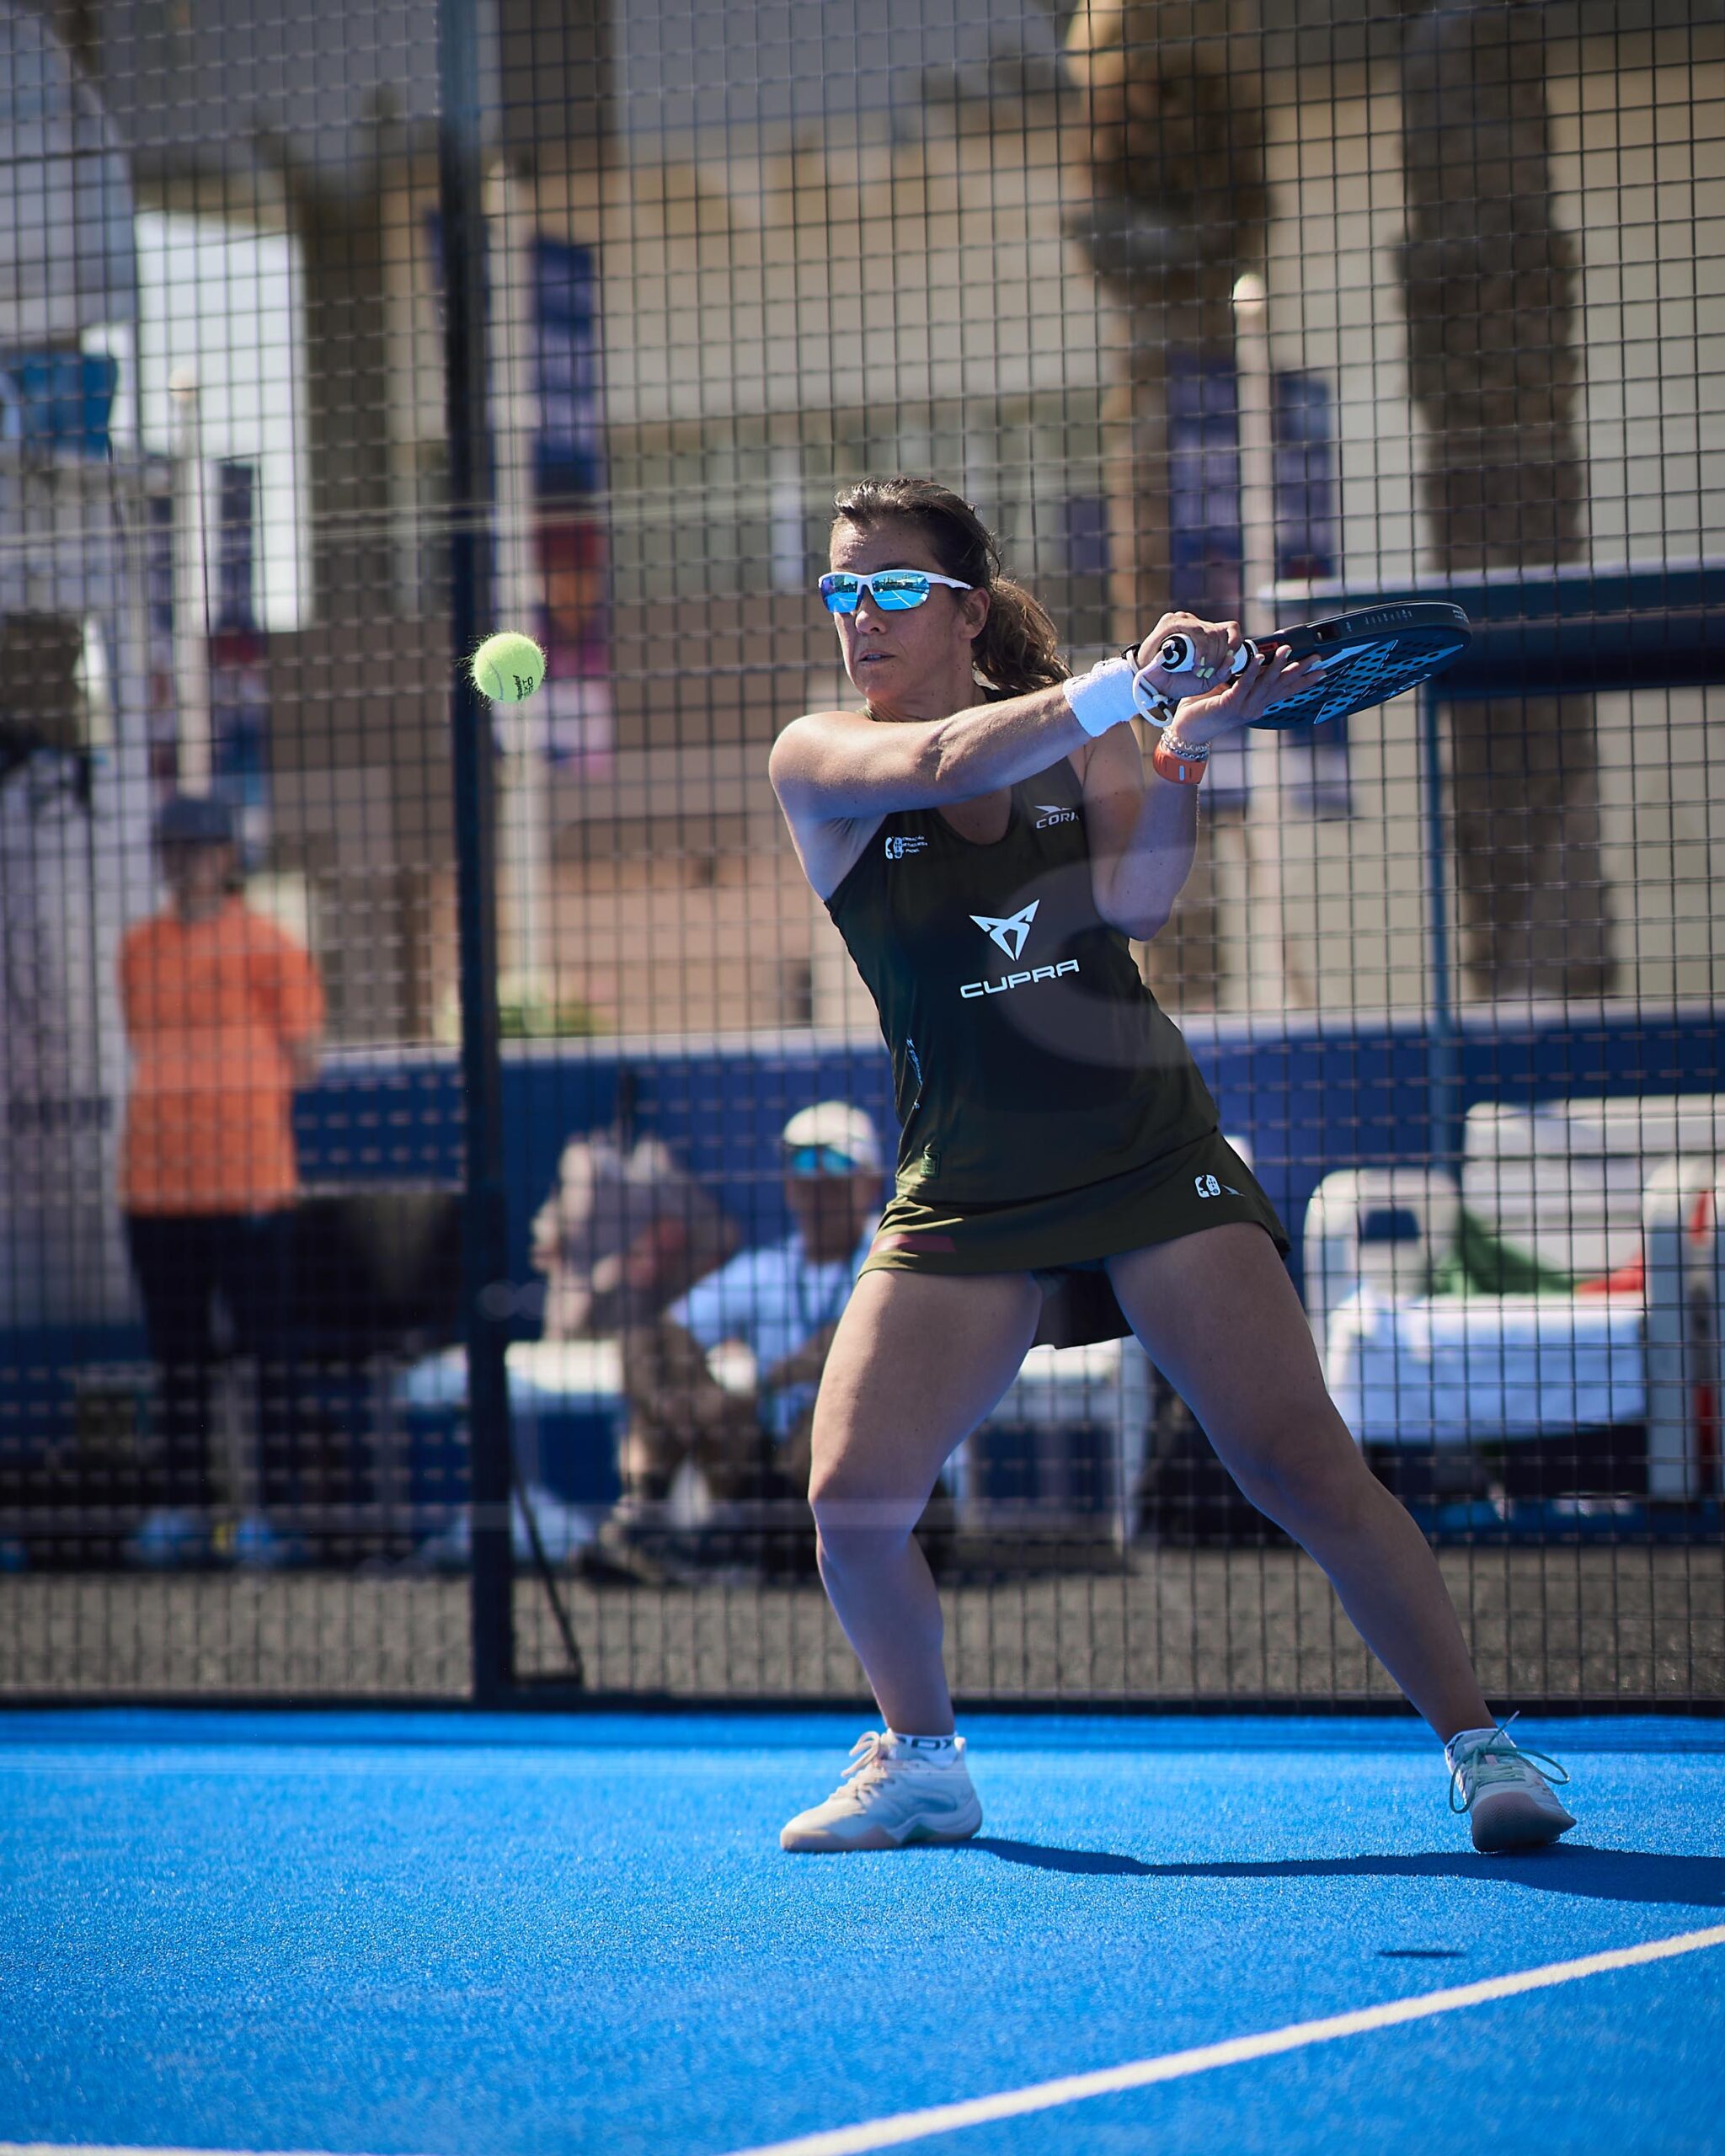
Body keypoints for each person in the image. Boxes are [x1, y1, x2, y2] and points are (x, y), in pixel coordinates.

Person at [766, 476, 1576, 1856]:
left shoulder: (1087, 738)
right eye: (844, 589)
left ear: (966, 611)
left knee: (1297, 1462)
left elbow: (1137, 902)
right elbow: (943, 764)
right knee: (851, 1501)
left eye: (894, 587)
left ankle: (1482, 1745)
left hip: (1146, 1153)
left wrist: (1184, 744)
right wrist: (1126, 687)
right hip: (967, 1180)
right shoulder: (820, 757)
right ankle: (924, 1763)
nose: (862, 616)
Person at [117, 792, 325, 1566]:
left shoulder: (269, 945)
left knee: (269, 1355)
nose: (184, 862)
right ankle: (183, 1509)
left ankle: (274, 1514)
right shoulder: (138, 948)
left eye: (198, 847)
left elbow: (305, 1057)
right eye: (172, 848)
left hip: (248, 1185)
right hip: (155, 1188)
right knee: (177, 1359)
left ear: (227, 857)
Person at [608, 1103, 889, 1563]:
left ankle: (709, 1543)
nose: (817, 1186)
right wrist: (684, 1404)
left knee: (834, 1408)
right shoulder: (769, 1267)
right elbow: (660, 1334)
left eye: (836, 1170)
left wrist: (759, 1387)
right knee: (650, 1350)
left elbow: (857, 1342)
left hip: (873, 1479)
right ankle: (645, 1519)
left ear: (871, 1184)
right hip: (777, 1467)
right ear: (788, 1186)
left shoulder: (893, 1259)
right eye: (802, 1168)